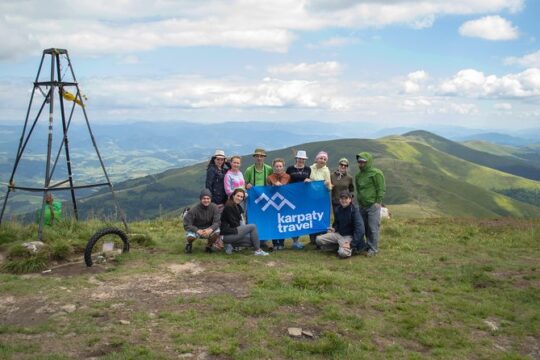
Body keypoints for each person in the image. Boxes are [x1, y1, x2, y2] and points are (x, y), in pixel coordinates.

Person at [220, 188, 269, 256]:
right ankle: (258, 251)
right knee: (253, 226)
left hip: (234, 232)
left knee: (254, 241)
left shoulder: (238, 206)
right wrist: (245, 230)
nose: (239, 198)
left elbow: (240, 222)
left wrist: (244, 229)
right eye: (238, 196)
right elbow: (235, 224)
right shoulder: (229, 206)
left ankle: (231, 245)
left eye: (241, 197)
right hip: (227, 235)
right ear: (233, 196)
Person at [316, 190, 364, 258]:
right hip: (338, 234)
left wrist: (352, 244)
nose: (343, 200)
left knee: (342, 253)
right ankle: (338, 246)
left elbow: (360, 230)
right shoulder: (338, 209)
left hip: (349, 237)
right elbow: (336, 223)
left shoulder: (354, 211)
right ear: (339, 200)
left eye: (346, 198)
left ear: (350, 199)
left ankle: (352, 248)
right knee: (318, 239)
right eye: (342, 198)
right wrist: (334, 229)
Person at [355, 152, 386, 257]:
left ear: (368, 162)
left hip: (373, 205)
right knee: (364, 228)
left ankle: (373, 249)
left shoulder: (376, 173)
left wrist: (378, 202)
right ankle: (368, 246)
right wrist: (359, 202)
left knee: (373, 228)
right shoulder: (358, 175)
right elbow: (358, 190)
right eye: (359, 162)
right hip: (362, 206)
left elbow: (381, 188)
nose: (361, 164)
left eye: (363, 162)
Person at [286, 150, 311, 249]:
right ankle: (294, 241)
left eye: (303, 159)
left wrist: (309, 180)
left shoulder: (308, 169)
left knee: (300, 217)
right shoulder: (290, 169)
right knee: (293, 217)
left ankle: (297, 240)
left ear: (305, 159)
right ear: (296, 158)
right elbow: (286, 180)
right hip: (292, 197)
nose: (301, 160)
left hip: (303, 197)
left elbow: (309, 180)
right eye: (299, 158)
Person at [183, 189, 221, 254]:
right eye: (204, 198)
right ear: (200, 199)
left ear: (210, 199)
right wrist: (197, 230)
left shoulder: (215, 207)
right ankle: (189, 244)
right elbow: (186, 224)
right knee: (190, 237)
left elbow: (217, 222)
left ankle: (209, 246)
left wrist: (210, 229)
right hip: (196, 228)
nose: (206, 200)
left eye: (208, 198)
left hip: (209, 228)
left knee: (217, 232)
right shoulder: (194, 209)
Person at [308, 151, 332, 244]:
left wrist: (327, 184)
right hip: (310, 198)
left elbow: (329, 187)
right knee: (311, 217)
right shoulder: (310, 168)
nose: (322, 160)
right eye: (321, 158)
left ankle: (322, 239)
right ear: (317, 159)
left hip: (321, 199)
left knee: (321, 218)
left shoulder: (326, 170)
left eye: (325, 159)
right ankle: (312, 240)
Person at [266, 158, 291, 250]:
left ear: (283, 167)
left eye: (280, 166)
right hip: (273, 203)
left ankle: (281, 242)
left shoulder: (287, 176)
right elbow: (267, 189)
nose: (278, 168)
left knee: (282, 222)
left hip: (284, 203)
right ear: (273, 167)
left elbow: (287, 187)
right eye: (276, 166)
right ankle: (274, 242)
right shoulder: (270, 177)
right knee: (274, 222)